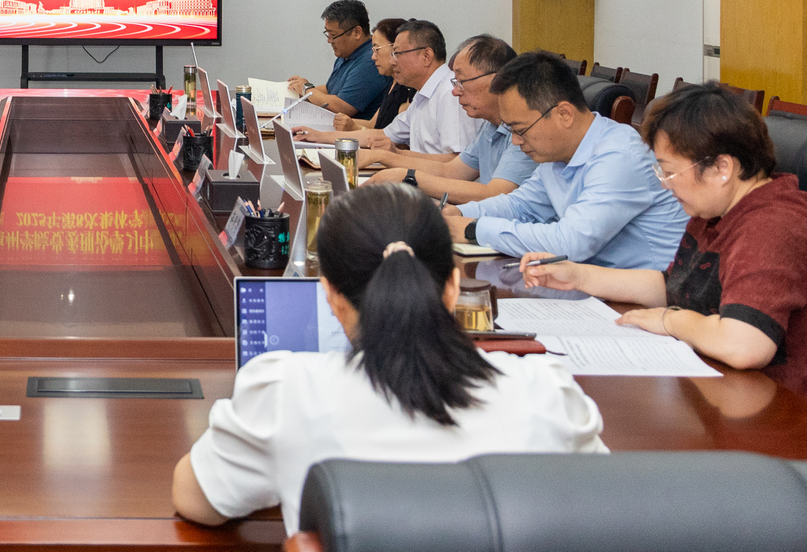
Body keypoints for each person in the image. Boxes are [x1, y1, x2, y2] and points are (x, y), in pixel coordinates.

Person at [172, 186, 606, 534]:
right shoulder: (545, 393)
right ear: (453, 287)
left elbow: (195, 500)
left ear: (330, 296)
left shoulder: (286, 393)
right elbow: (603, 512)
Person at [520, 82, 807, 418]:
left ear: (722, 168)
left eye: (669, 172)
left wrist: (671, 321)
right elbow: (674, 286)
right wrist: (578, 276)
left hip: (791, 419)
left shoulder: (773, 226)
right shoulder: (716, 211)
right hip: (721, 399)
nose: (664, 184)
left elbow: (744, 345)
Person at [443, 51, 687, 270]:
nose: (515, 141)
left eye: (520, 130)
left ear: (564, 114)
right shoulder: (558, 154)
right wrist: (458, 213)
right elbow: (521, 206)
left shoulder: (619, 156)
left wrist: (474, 228)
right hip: (593, 283)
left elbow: (571, 242)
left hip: (647, 293)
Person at [363, 35, 537, 204]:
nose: (455, 91)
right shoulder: (490, 125)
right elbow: (450, 170)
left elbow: (495, 194)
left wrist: (408, 177)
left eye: (462, 81)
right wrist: (385, 157)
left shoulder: (526, 129)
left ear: (497, 80)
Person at [307, 19, 479, 158]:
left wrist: (396, 155)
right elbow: (382, 135)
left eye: (397, 54)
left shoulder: (450, 94)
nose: (392, 61)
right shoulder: (423, 94)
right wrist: (317, 136)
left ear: (426, 56)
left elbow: (456, 163)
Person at [286, 0, 389, 120]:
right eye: (327, 34)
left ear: (357, 32)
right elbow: (330, 90)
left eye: (333, 35)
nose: (329, 40)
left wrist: (307, 89)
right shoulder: (346, 53)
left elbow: (342, 107)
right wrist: (295, 91)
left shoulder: (371, 61)